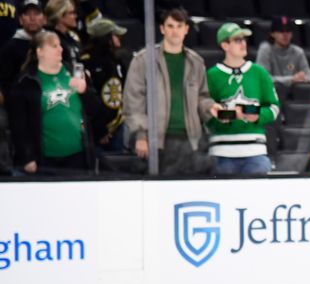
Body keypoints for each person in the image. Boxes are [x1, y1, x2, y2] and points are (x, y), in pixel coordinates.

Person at [123, 7, 220, 175]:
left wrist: (211, 108)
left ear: (186, 29)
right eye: (170, 26)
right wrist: (141, 135)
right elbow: (133, 101)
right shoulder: (143, 60)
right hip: (157, 141)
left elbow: (202, 97)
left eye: (179, 26)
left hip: (189, 141)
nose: (175, 31)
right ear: (162, 29)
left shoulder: (196, 62)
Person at [9, 30, 101, 173]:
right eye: (54, 46)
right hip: (45, 160)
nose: (60, 49)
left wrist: (85, 92)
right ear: (40, 52)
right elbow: (19, 125)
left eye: (59, 45)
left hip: (78, 157)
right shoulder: (26, 82)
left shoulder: (75, 74)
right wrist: (27, 156)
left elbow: (95, 112)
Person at [207, 22, 281, 175]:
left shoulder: (259, 73)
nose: (243, 44)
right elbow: (205, 112)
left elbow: (274, 108)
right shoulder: (212, 75)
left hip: (255, 153)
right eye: (237, 40)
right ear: (225, 45)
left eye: (244, 39)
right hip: (222, 154)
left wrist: (257, 115)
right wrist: (225, 116)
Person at [80, 17, 127, 151]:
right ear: (105, 38)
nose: (119, 41)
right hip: (96, 131)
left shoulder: (117, 60)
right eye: (115, 36)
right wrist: (100, 129)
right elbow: (89, 100)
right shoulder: (87, 62)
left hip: (118, 126)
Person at [0, 0, 43, 101]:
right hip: (19, 101)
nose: (32, 18)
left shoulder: (53, 43)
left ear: (44, 18)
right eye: (27, 14)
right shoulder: (9, 48)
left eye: (36, 14)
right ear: (20, 19)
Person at [255, 15, 310, 87]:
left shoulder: (298, 51)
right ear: (272, 34)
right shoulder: (265, 50)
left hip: (295, 95)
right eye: (281, 31)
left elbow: (309, 78)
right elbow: (262, 79)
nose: (285, 35)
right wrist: (291, 79)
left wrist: (304, 78)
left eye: (288, 31)